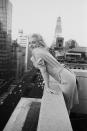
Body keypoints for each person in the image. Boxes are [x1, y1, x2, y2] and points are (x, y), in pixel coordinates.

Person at [29, 33, 79, 114]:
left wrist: (47, 87)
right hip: (66, 75)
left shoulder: (36, 52)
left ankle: (64, 126)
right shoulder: (42, 49)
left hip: (65, 78)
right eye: (30, 43)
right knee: (66, 106)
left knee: (65, 107)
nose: (31, 45)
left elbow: (44, 71)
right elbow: (48, 67)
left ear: (39, 42)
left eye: (34, 42)